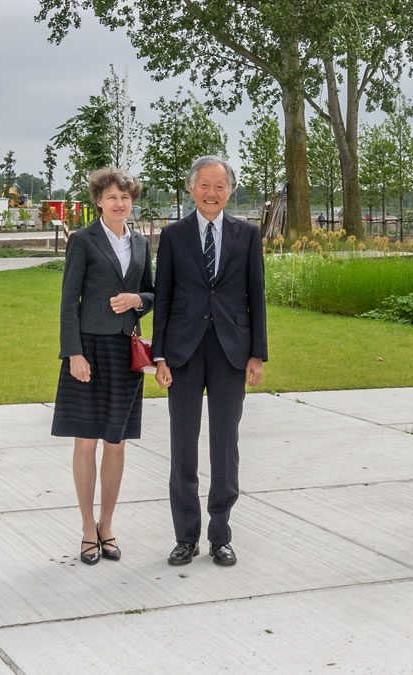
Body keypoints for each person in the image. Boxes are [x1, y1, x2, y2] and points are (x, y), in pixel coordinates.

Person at [153, 156, 267, 567]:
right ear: (191, 188)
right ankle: (186, 536)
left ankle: (220, 534)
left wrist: (257, 354)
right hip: (182, 353)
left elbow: (257, 297)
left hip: (230, 352)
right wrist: (159, 355)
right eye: (204, 185)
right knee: (183, 445)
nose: (212, 193)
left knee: (225, 445)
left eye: (220, 186)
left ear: (230, 191)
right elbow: (163, 298)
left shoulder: (247, 235)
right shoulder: (174, 236)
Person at [52, 167, 154, 565]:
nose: (119, 203)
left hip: (125, 351)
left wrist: (137, 301)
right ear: (98, 201)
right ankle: (85, 528)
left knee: (116, 442)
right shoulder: (82, 240)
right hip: (88, 352)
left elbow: (154, 291)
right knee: (86, 441)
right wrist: (73, 353)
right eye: (112, 197)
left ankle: (107, 526)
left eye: (125, 197)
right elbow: (68, 301)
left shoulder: (142, 242)